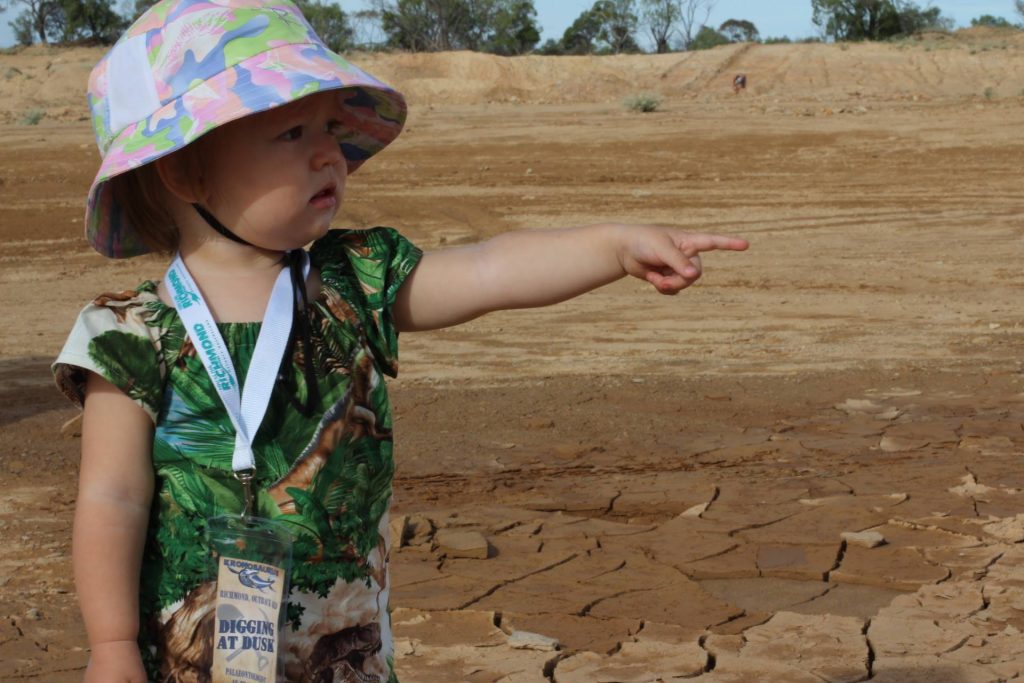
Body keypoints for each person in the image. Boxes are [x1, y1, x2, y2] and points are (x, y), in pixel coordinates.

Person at [52, 1, 749, 681]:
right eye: (293, 134)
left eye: (329, 127)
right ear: (185, 169)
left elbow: (488, 269)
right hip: (185, 661)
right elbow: (113, 498)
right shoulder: (128, 338)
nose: (330, 152)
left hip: (344, 658)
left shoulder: (352, 283)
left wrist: (614, 246)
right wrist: (110, 643)